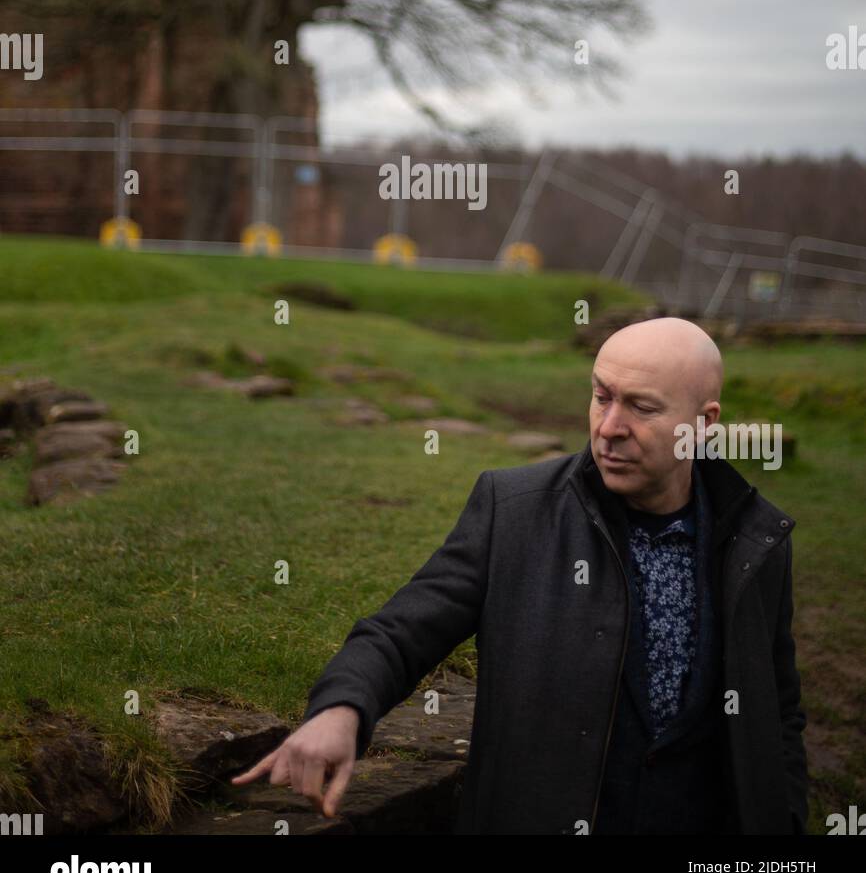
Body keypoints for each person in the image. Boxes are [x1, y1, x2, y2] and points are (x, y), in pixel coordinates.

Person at [233, 317, 809, 835]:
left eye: (642, 407)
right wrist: (341, 711)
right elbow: (399, 633)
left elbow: (777, 707)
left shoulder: (754, 538)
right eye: (601, 397)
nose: (609, 427)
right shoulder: (513, 511)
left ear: (703, 424)